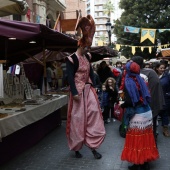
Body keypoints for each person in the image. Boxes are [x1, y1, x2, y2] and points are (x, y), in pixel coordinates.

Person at [66, 15, 106, 159]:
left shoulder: (87, 57)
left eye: (89, 47)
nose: (88, 49)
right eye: (86, 47)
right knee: (77, 120)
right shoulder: (71, 59)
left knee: (94, 115)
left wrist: (95, 86)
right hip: (77, 92)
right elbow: (69, 77)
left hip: (89, 90)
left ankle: (93, 147)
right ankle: (76, 148)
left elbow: (91, 72)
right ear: (81, 45)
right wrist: (75, 92)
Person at [121, 61, 159, 170]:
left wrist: (122, 105)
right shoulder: (141, 79)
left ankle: (138, 163)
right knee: (145, 139)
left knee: (137, 141)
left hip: (138, 114)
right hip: (147, 112)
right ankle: (144, 163)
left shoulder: (128, 82)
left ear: (128, 71)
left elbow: (131, 101)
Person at [132, 56, 165, 143]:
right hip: (147, 104)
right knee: (148, 127)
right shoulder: (150, 73)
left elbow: (154, 89)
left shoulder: (148, 73)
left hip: (145, 105)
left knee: (145, 128)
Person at [154, 62, 170, 137]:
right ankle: (153, 129)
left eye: (164, 68)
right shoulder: (153, 75)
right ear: (157, 68)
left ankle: (165, 129)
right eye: (161, 68)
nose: (163, 69)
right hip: (155, 97)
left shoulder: (167, 76)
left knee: (165, 113)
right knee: (155, 114)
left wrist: (168, 93)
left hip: (165, 97)